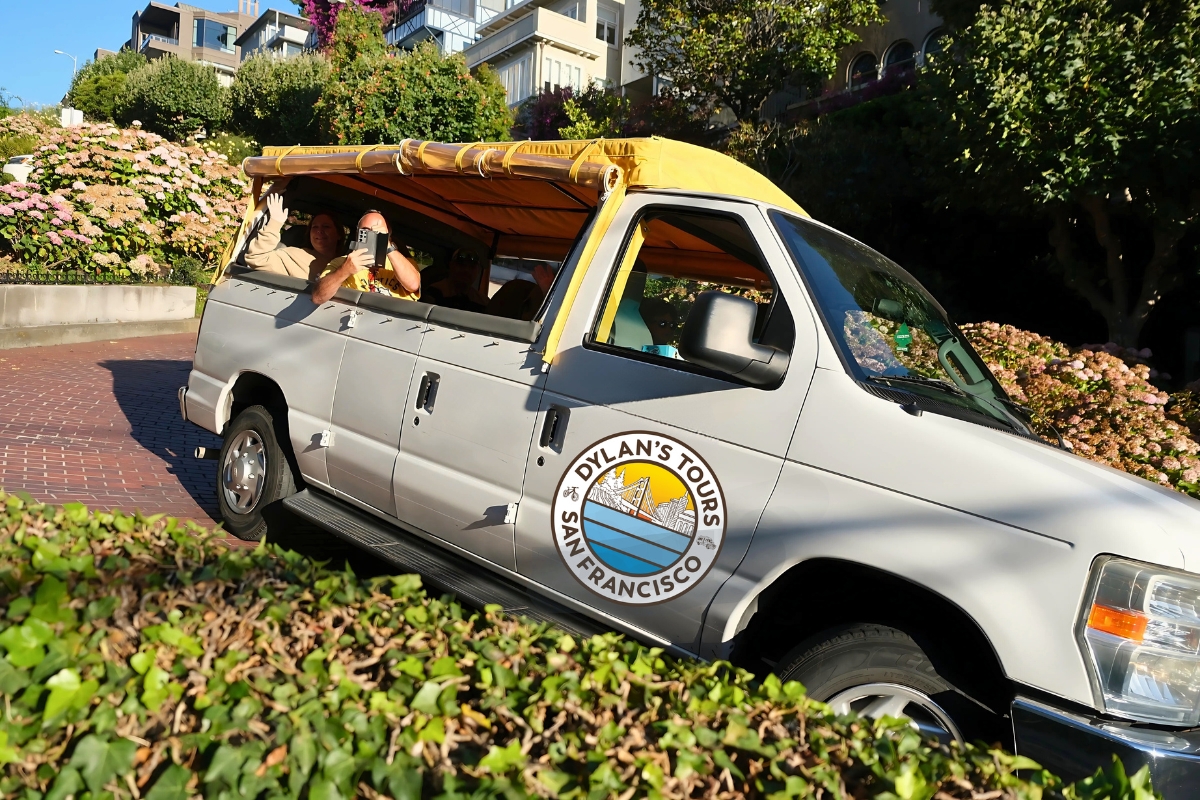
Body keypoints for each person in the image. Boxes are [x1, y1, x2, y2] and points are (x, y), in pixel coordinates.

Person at [312, 211, 422, 305]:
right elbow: (318, 297)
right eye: (365, 231)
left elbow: (413, 285)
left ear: (388, 235)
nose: (371, 235)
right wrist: (344, 271)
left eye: (378, 231)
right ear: (358, 235)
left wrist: (386, 245)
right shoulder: (342, 263)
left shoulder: (403, 263)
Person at [244, 184, 342, 280]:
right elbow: (256, 258)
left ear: (339, 234)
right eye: (314, 227)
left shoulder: (348, 264)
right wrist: (275, 222)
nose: (319, 231)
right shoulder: (295, 256)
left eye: (326, 226)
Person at [424, 248, 489, 313]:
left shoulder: (483, 302)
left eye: (472, 267)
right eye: (461, 264)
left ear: (478, 271)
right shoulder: (433, 293)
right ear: (451, 265)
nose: (466, 270)